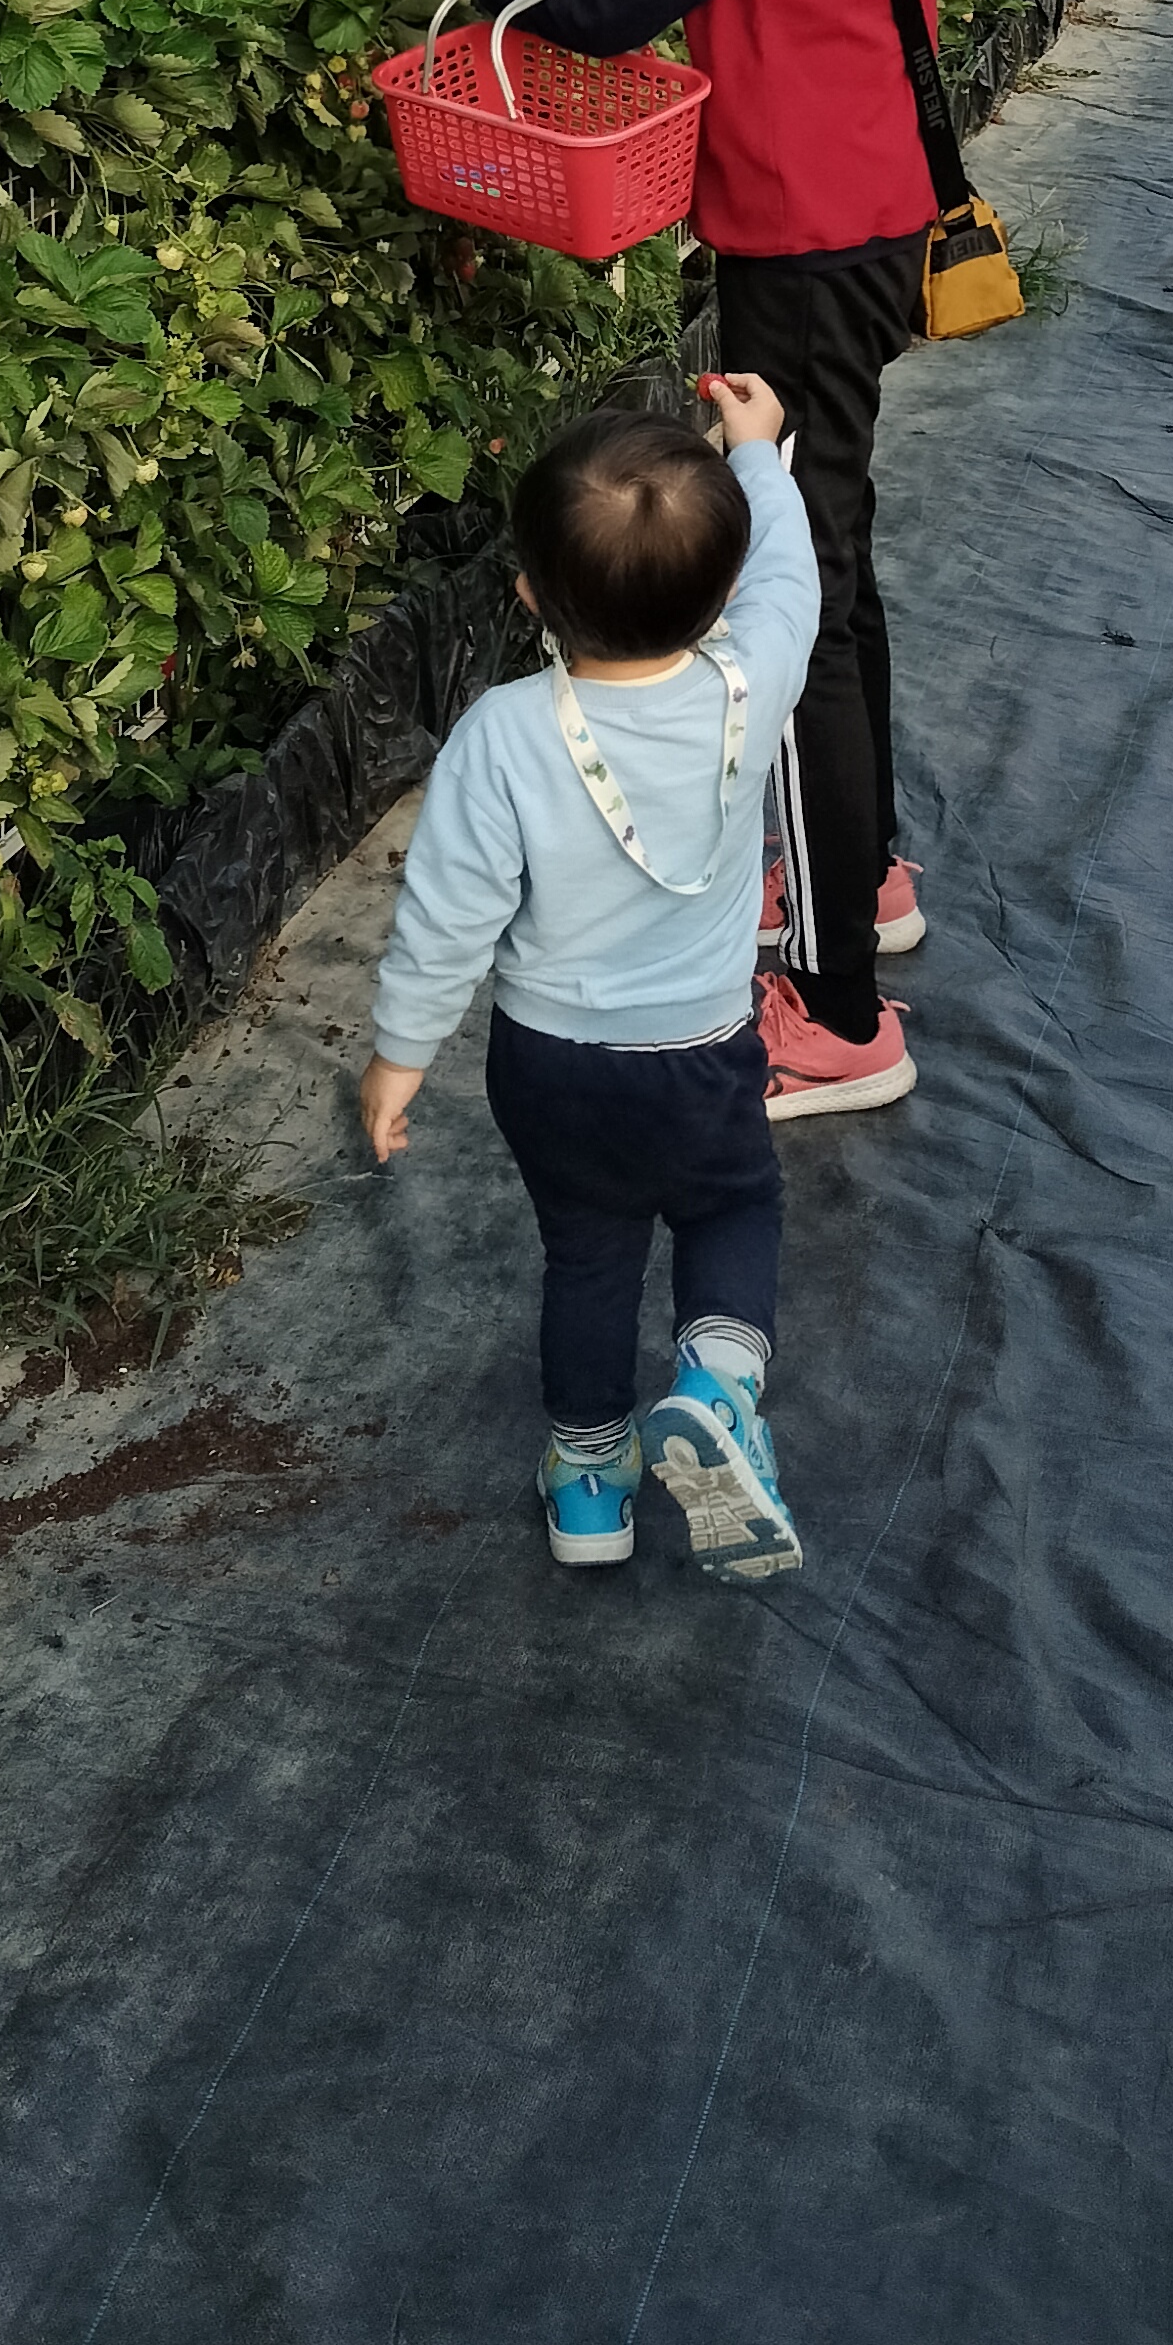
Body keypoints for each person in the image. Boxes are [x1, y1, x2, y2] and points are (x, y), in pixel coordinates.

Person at [346, 0, 939, 1124]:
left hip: (801, 226)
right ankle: (866, 879)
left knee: (795, 607)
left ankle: (834, 1015)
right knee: (832, 551)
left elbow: (604, 7)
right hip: (862, 190)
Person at [358, 375, 814, 1582]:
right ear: (719, 594)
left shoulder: (504, 733)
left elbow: (445, 917)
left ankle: (590, 1487)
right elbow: (789, 581)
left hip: (549, 1065)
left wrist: (398, 1059)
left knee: (589, 1252)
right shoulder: (749, 678)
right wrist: (758, 457)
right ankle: (717, 1383)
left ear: (526, 595)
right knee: (730, 1208)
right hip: (702, 1051)